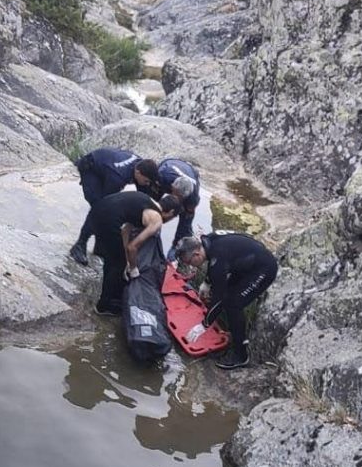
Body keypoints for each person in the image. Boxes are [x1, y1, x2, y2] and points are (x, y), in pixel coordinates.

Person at [175, 232, 278, 369]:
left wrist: (205, 324)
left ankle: (241, 356)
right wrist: (206, 282)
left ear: (196, 254)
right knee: (229, 295)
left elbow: (219, 298)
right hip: (246, 265)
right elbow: (217, 268)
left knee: (233, 304)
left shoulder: (217, 261)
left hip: (264, 268)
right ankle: (235, 332)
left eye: (190, 262)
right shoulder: (209, 242)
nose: (192, 266)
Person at [88, 191, 180, 316]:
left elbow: (125, 231)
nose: (169, 220)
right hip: (108, 220)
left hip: (97, 210)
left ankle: (110, 297)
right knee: (117, 265)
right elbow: (133, 247)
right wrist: (133, 268)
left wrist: (126, 258)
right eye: (173, 218)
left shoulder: (146, 201)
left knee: (113, 259)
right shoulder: (156, 220)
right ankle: (104, 306)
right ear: (171, 212)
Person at [69, 148, 159, 265]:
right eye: (146, 181)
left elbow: (143, 196)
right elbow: (105, 206)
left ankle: (99, 247)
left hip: (105, 165)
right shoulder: (117, 176)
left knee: (106, 211)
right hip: (91, 168)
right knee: (100, 208)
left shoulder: (141, 165)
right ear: (138, 173)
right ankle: (80, 244)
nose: (147, 184)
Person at [137, 157, 200, 250]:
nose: (175, 198)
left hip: (190, 171)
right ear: (172, 187)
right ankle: (145, 228)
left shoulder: (192, 198)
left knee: (186, 223)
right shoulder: (162, 177)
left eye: (180, 197)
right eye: (175, 194)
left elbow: (186, 221)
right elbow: (146, 198)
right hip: (170, 163)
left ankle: (179, 250)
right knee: (150, 204)